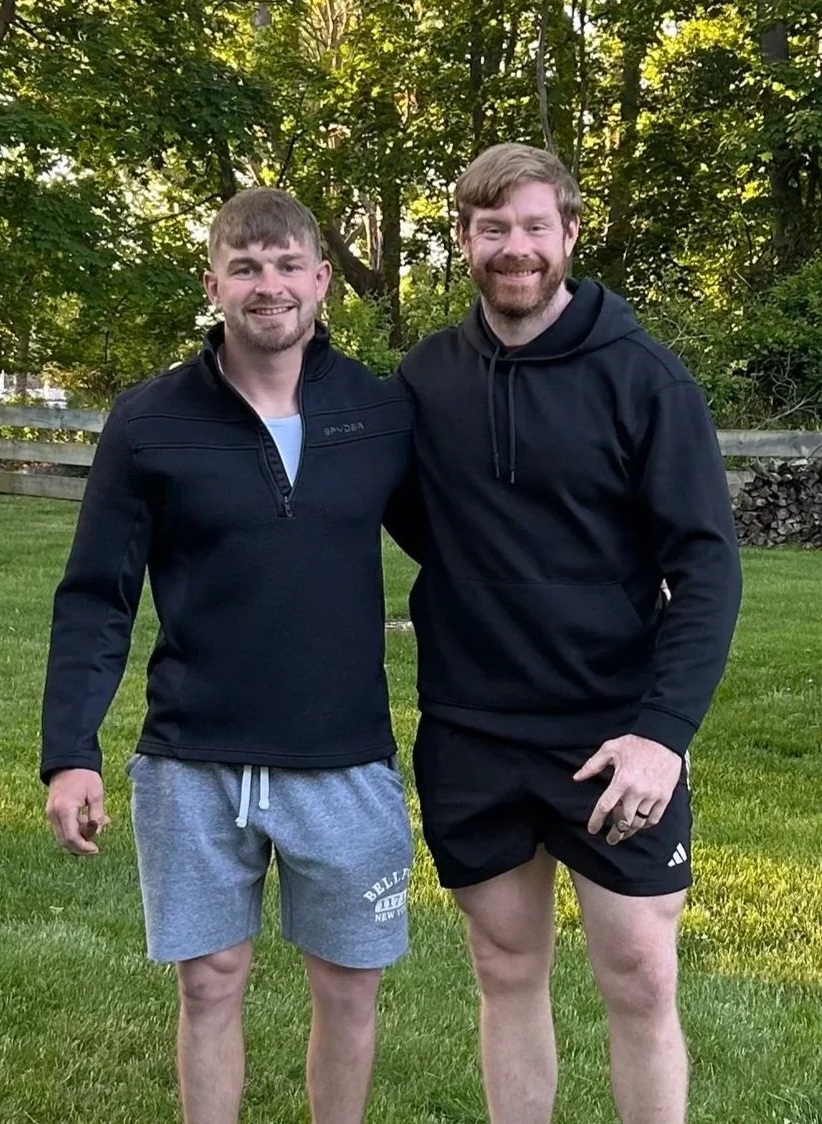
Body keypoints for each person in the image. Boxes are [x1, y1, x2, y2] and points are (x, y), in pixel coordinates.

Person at [41, 187, 414, 1124]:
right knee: (209, 982)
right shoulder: (150, 419)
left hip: (344, 757)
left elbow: (467, 552)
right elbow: (96, 596)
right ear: (213, 285)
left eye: (287, 265)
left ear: (321, 281)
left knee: (350, 987)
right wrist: (70, 752)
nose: (267, 285)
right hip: (192, 760)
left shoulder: (378, 412)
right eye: (244, 268)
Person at [397, 143, 742, 1124]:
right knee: (504, 967)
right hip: (472, 729)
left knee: (640, 973)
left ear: (571, 234)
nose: (514, 247)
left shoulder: (645, 379)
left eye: (534, 226)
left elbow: (707, 568)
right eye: (492, 228)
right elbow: (413, 517)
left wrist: (663, 734)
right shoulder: (424, 378)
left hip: (613, 734)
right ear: (464, 239)